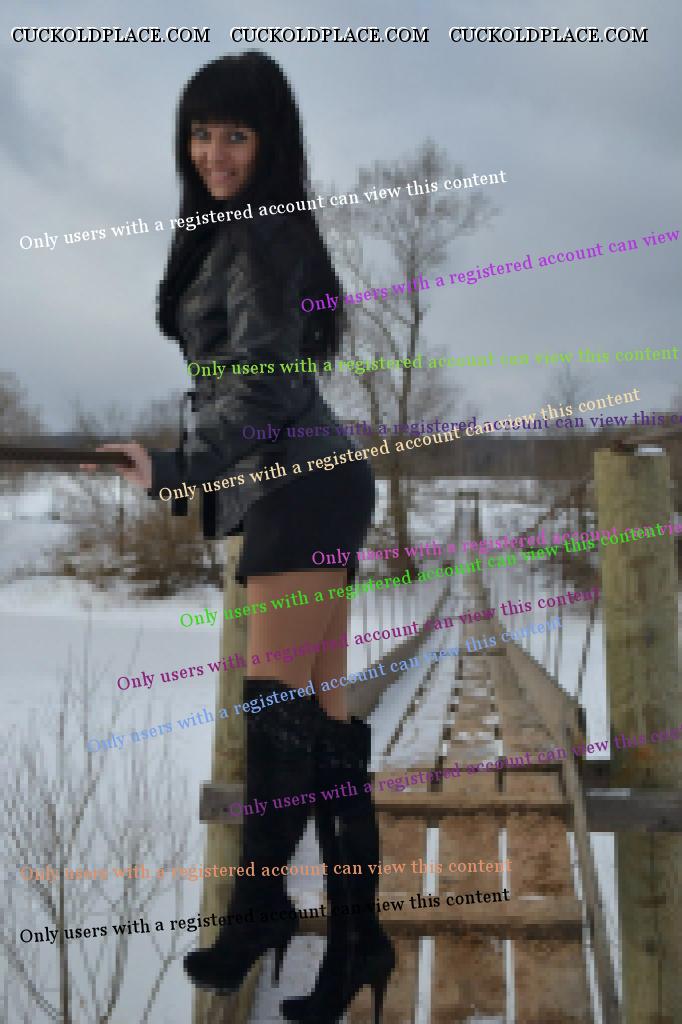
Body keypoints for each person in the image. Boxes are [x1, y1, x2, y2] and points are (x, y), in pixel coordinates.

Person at [88, 52, 395, 1024]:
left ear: (270, 143)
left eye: (235, 134)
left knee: (278, 714)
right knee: (323, 723)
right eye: (200, 133)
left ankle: (261, 909)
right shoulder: (245, 229)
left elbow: (260, 384)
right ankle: (357, 938)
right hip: (303, 485)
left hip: (300, 490)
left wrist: (180, 468)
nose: (213, 152)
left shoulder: (263, 233)